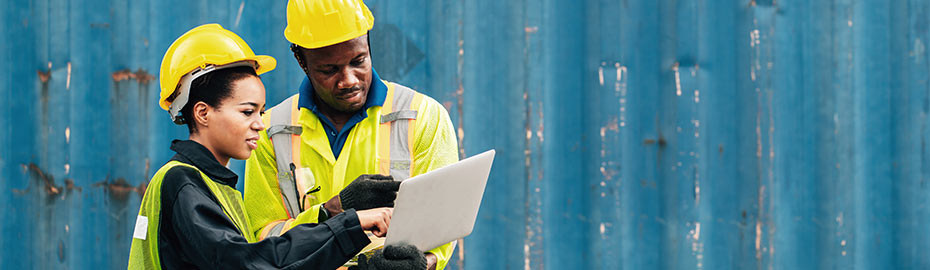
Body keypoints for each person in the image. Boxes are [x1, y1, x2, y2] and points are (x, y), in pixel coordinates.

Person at [127, 24, 393, 269]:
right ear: (203, 113)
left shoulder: (214, 186)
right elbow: (250, 263)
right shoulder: (182, 182)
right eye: (247, 112)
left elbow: (263, 258)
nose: (261, 124)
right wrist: (350, 224)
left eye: (261, 112)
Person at [243, 0, 460, 269]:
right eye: (329, 70)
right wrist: (332, 210)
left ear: (368, 44)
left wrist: (420, 264)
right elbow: (263, 238)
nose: (349, 80)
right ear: (301, 60)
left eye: (359, 61)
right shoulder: (270, 131)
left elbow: (442, 225)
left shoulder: (423, 116)